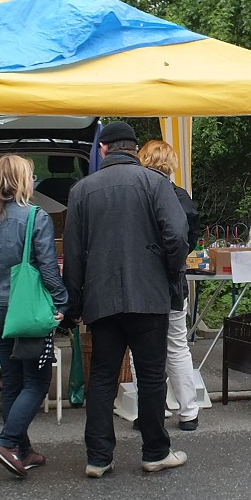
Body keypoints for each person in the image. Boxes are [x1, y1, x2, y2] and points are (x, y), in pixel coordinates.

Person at [63, 121, 190, 477]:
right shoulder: (155, 184)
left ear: (103, 150)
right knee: (151, 376)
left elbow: (73, 255)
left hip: (101, 298)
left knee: (102, 377)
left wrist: (73, 304)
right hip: (149, 296)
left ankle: (99, 457)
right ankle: (154, 452)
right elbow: (177, 235)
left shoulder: (81, 190)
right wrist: (169, 274)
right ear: (134, 149)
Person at [0, 156, 67, 478]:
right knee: (37, 382)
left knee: (11, 383)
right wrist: (61, 302)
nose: (33, 181)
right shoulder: (36, 217)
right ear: (21, 180)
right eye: (31, 176)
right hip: (27, 312)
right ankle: (6, 443)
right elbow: (47, 267)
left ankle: (24, 450)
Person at [138, 139, 202, 431]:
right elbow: (190, 238)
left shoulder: (138, 195)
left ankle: (151, 410)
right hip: (175, 282)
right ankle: (189, 412)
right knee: (177, 347)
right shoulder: (181, 197)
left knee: (141, 348)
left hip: (142, 283)